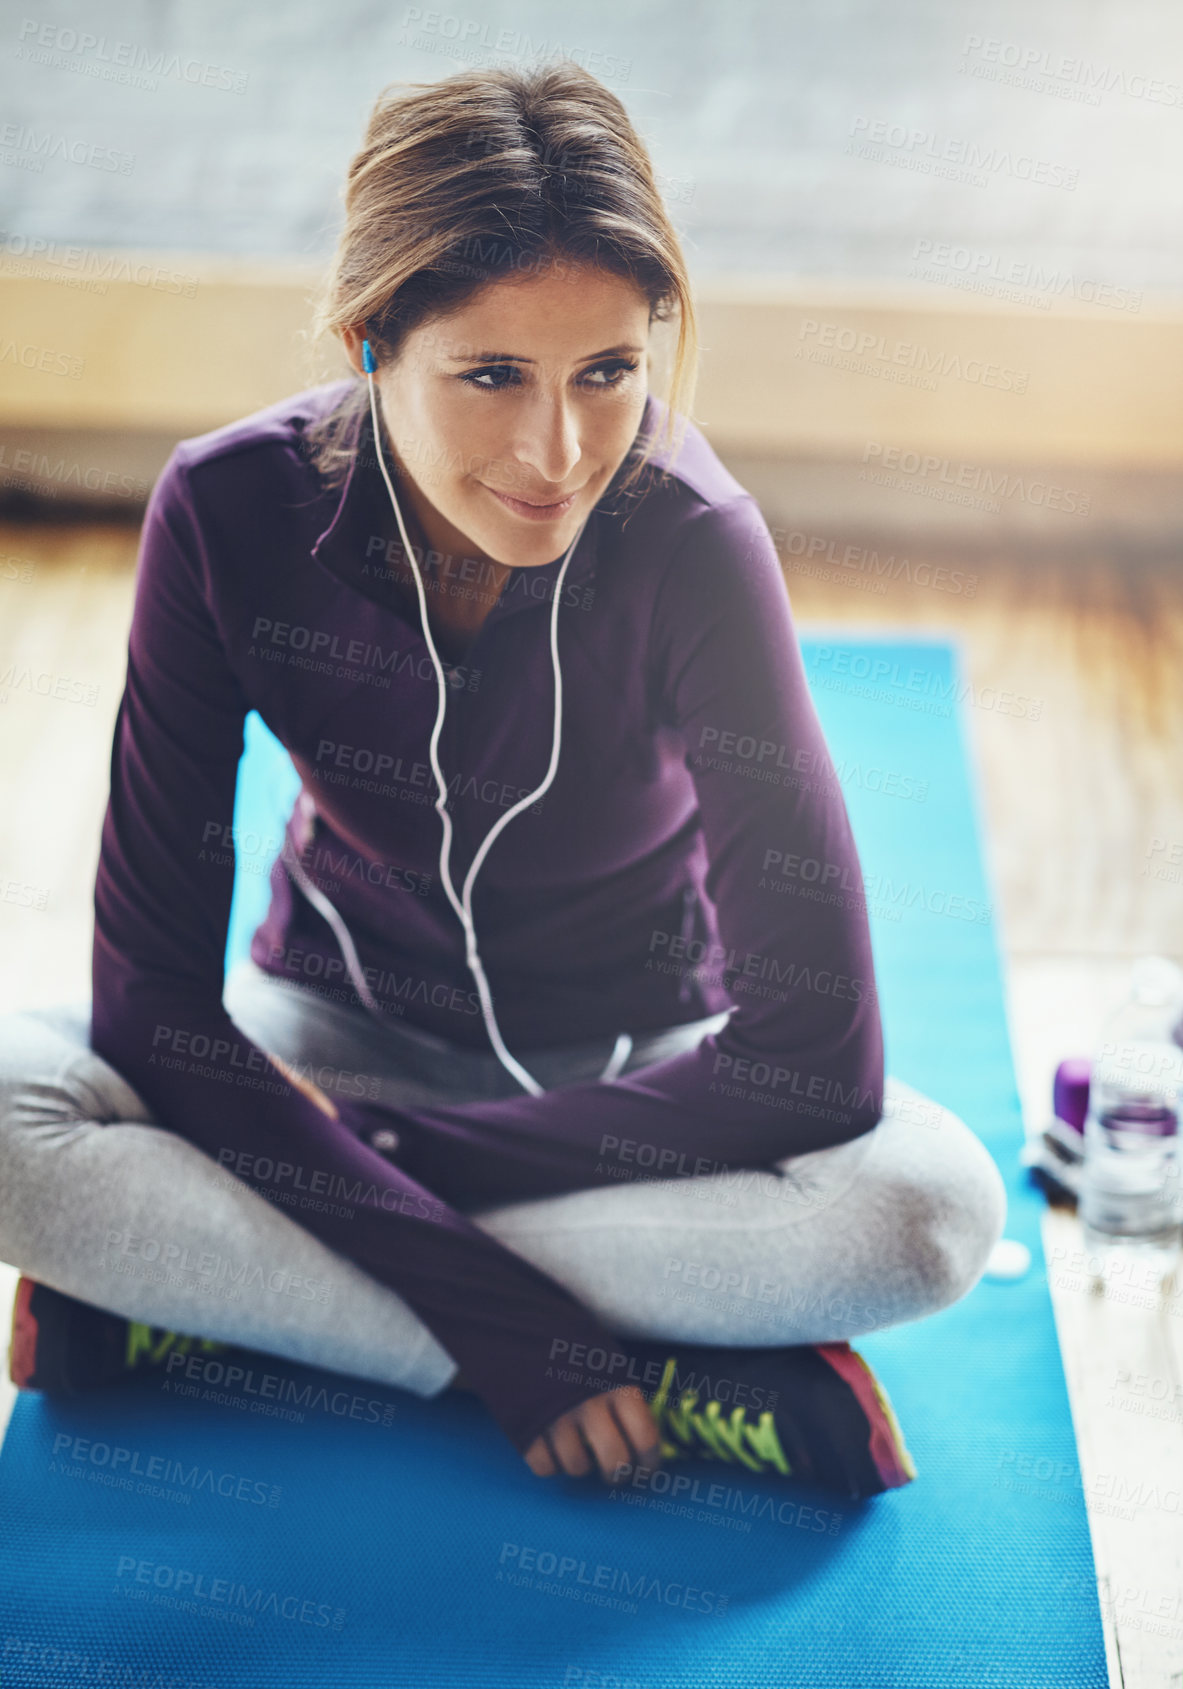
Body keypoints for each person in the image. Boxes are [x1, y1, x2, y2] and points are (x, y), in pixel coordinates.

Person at [0, 60, 1006, 1499]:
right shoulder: (226, 512)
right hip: (332, 1029)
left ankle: (216, 1310)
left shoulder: (693, 535)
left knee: (927, 1214)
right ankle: (654, 1364)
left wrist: (383, 1165)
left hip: (642, 1077)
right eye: (492, 375)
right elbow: (150, 1004)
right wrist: (502, 1326)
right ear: (369, 343)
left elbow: (811, 1056)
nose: (561, 450)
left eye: (608, 371)